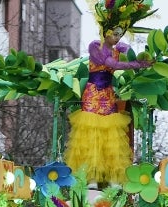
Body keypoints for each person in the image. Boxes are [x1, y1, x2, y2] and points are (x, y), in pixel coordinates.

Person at [64, 1, 152, 185]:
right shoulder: (94, 46)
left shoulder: (120, 49)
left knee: (109, 133)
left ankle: (110, 176)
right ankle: (91, 176)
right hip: (93, 93)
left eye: (120, 34)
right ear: (105, 31)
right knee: (91, 132)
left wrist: (141, 58)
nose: (117, 37)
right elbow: (111, 64)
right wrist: (136, 64)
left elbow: (129, 55)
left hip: (108, 94)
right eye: (114, 33)